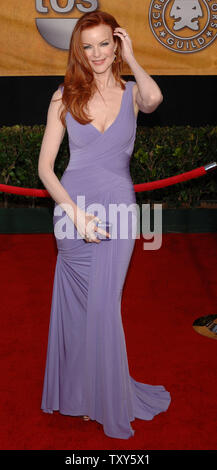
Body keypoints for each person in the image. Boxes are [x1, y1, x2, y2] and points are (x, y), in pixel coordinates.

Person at [38, 10, 171, 440]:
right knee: (78, 308)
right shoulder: (63, 96)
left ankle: (105, 397)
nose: (96, 53)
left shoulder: (132, 92)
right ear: (79, 49)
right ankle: (78, 394)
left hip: (119, 211)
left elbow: (155, 101)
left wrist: (132, 58)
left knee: (104, 306)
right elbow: (45, 169)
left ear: (115, 43)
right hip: (72, 212)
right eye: (88, 45)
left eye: (104, 43)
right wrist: (74, 213)